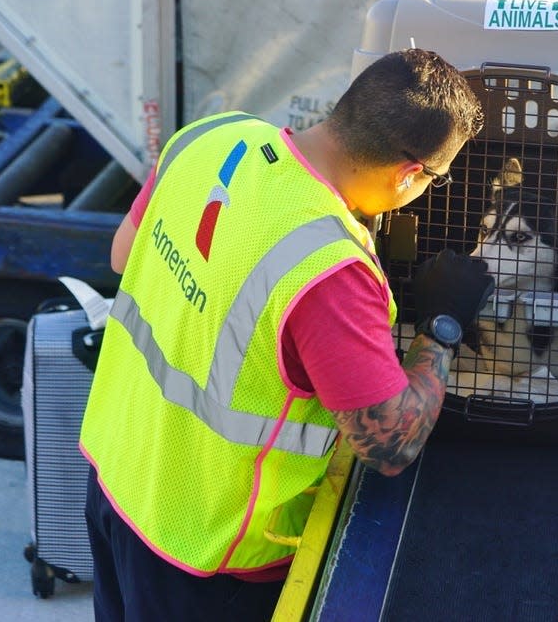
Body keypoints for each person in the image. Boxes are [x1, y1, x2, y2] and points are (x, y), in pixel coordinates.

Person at [79, 48, 494, 620]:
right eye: (436, 182)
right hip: (209, 556)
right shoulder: (330, 269)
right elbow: (391, 444)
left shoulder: (213, 137)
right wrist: (442, 327)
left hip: (117, 484)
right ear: (408, 174)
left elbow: (124, 256)